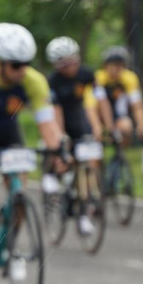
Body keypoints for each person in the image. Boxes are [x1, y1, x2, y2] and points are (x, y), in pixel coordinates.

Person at [0, 23, 64, 249]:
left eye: (27, 64)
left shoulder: (35, 82)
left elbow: (47, 124)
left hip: (8, 128)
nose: (22, 70)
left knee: (19, 189)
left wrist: (59, 151)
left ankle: (9, 247)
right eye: (16, 65)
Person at [44, 35, 107, 237]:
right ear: (57, 66)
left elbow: (101, 100)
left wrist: (102, 126)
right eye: (66, 64)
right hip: (58, 119)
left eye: (74, 61)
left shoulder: (87, 74)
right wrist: (61, 136)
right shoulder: (52, 81)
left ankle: (84, 212)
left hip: (79, 119)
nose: (72, 67)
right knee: (60, 152)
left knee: (89, 161)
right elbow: (56, 112)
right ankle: (52, 174)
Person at [95, 46, 143, 145]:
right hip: (99, 115)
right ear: (105, 65)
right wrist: (101, 126)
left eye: (120, 65)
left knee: (126, 126)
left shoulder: (129, 78)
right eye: (114, 65)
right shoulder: (98, 78)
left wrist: (142, 125)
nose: (117, 68)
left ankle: (120, 151)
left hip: (118, 114)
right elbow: (96, 105)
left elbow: (137, 104)